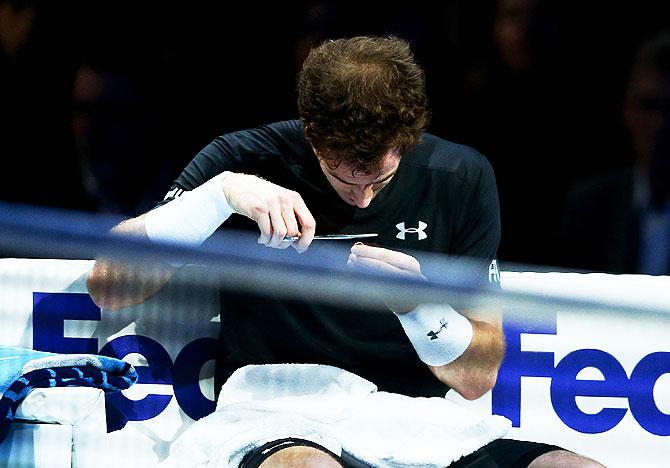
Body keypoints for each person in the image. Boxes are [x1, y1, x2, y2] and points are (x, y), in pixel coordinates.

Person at [88, 36, 602, 467]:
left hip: (415, 421)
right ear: (312, 134)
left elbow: (477, 378)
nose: (361, 198)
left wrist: (419, 306)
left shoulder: (460, 178)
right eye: (341, 175)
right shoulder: (243, 160)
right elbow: (109, 286)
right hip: (275, 412)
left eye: (380, 178)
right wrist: (217, 198)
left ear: (410, 137)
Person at [561, 32, 670, 275]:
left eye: (669, 109)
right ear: (628, 110)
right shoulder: (589, 209)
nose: (660, 123)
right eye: (649, 106)